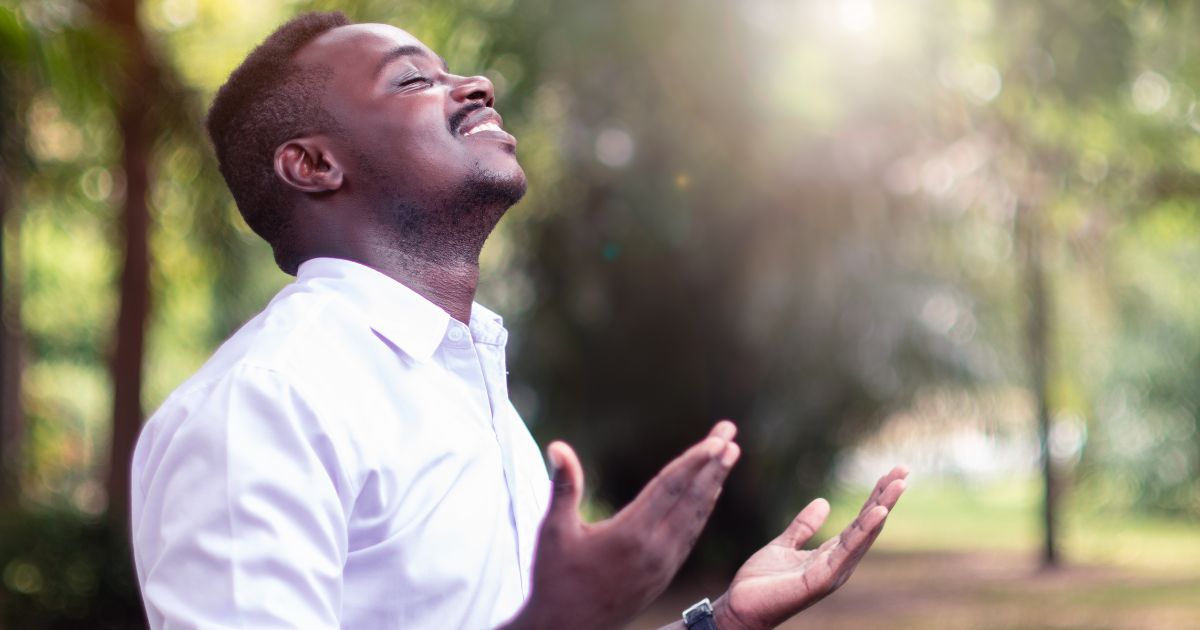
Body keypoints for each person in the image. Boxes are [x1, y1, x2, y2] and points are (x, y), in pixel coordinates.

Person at [130, 11, 908, 630]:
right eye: (412, 82)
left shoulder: (466, 385)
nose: (477, 83)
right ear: (313, 165)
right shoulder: (263, 404)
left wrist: (721, 624)